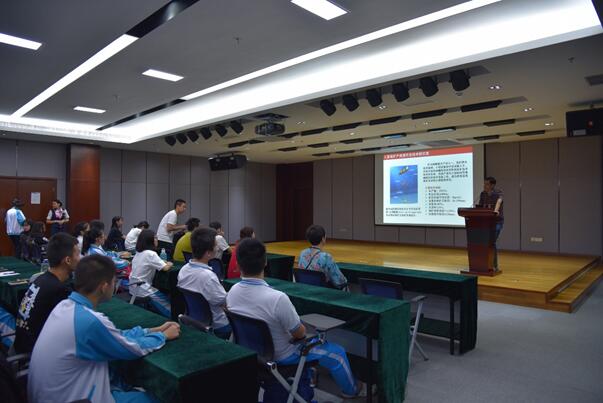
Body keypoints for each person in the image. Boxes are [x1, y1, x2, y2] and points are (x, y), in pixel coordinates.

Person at [27, 254, 180, 403]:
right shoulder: (89, 320)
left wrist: (153, 330)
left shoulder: (64, 306)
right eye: (114, 281)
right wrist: (164, 336)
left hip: (53, 393)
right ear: (104, 287)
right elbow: (131, 348)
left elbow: (115, 337)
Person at [227, 238, 365, 399]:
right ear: (265, 262)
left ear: (238, 264)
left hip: (254, 353)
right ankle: (351, 391)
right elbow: (300, 334)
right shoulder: (277, 298)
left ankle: (308, 378)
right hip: (283, 355)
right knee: (337, 353)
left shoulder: (232, 292)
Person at [14, 233, 80, 354]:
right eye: (78, 254)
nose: (80, 258)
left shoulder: (41, 279)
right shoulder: (58, 290)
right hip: (35, 352)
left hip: (22, 344)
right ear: (68, 260)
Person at [177, 226, 231, 339]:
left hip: (194, 320)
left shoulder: (183, 270)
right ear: (208, 253)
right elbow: (225, 303)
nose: (217, 248)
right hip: (218, 325)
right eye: (216, 245)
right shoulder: (208, 277)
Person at [130, 229, 173, 318]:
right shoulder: (151, 254)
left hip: (133, 288)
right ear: (149, 240)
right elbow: (165, 268)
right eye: (155, 238)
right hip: (144, 289)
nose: (157, 240)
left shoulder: (139, 252)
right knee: (169, 306)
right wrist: (170, 263)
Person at [298, 225, 348, 290]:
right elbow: (339, 282)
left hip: (305, 289)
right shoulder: (326, 257)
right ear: (323, 239)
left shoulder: (302, 253)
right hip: (321, 292)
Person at [478, 176, 504, 271]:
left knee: (491, 241)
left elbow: (499, 202)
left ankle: (494, 266)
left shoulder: (498, 193)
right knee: (487, 242)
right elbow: (480, 207)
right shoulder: (483, 194)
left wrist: (495, 211)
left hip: (497, 221)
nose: (485, 186)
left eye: (487, 184)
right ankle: (485, 263)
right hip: (486, 222)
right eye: (484, 184)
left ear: (492, 185)